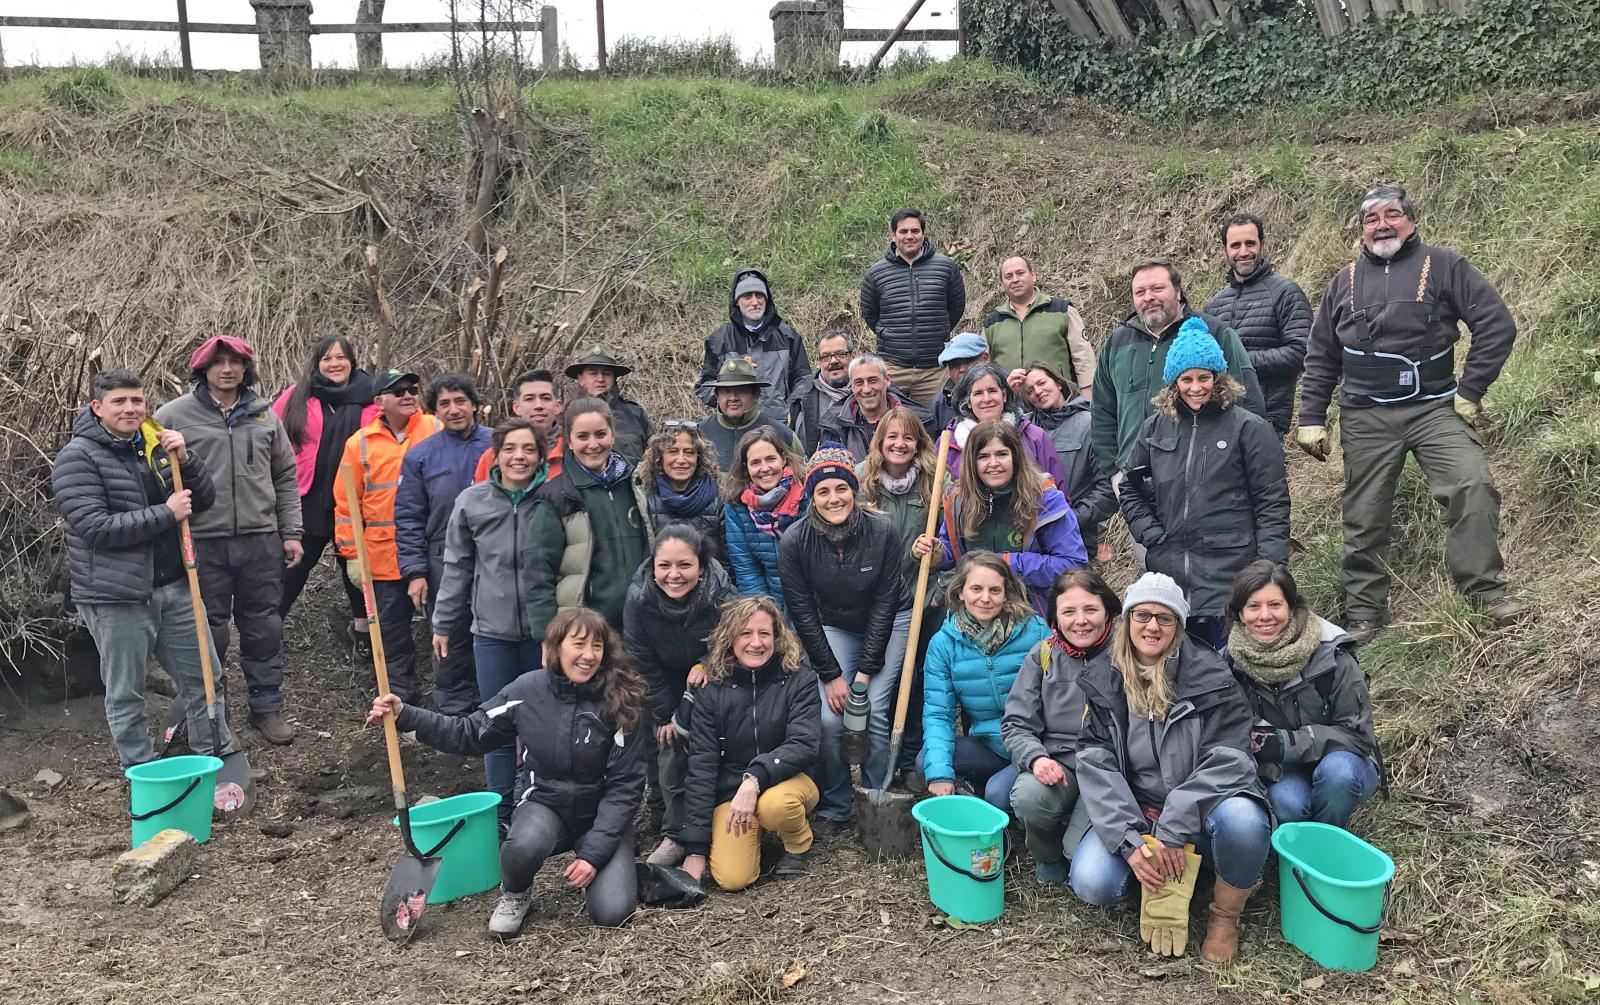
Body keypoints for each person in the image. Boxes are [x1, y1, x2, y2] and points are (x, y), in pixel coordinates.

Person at [1297, 184, 1523, 638]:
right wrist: (1311, 417)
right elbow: (1321, 354)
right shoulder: (1342, 282)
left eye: (1392, 215)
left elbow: (1496, 324)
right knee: (1364, 513)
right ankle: (1365, 613)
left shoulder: (1446, 265)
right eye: (1371, 219)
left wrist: (1470, 389)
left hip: (1435, 407)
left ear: (1411, 220)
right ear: (1361, 230)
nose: (1382, 225)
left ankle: (1485, 592)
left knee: (1472, 484)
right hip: (1365, 414)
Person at [366, 607, 646, 936]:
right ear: (555, 648)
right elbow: (468, 733)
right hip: (545, 805)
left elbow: (624, 789)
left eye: (597, 646)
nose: (588, 655)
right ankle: (516, 892)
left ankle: (598, 870)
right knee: (522, 846)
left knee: (613, 912)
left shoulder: (621, 700)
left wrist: (594, 856)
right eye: (579, 644)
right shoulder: (526, 692)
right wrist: (405, 716)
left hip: (601, 814)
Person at [1071, 572, 1271, 964]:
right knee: (1093, 882)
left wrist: (1175, 825)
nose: (1152, 626)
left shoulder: (1212, 677)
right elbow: (1095, 762)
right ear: (1127, 620)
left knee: (1245, 820)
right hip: (1138, 810)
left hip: (1199, 812)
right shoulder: (1103, 677)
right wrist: (1130, 840)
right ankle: (1162, 882)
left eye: (1165, 618)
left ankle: (1224, 916)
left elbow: (1230, 760)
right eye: (1142, 615)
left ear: (1178, 626)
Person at [53, 368, 238, 768]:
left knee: (206, 680)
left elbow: (202, 500)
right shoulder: (76, 458)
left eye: (137, 400)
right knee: (126, 691)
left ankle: (214, 761)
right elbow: (96, 528)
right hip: (116, 595)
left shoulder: (156, 445)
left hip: (177, 586)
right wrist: (165, 513)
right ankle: (142, 771)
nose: (130, 409)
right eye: (119, 401)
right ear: (97, 407)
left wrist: (186, 461)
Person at [154, 334, 302, 745]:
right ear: (202, 370)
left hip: (260, 539)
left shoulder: (264, 415)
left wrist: (291, 532)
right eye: (217, 363)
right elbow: (152, 474)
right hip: (203, 540)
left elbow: (285, 476)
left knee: (263, 625)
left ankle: (266, 706)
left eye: (235, 362)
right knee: (209, 630)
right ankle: (215, 713)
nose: (227, 369)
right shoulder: (173, 415)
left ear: (245, 368)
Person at [1118, 321, 1291, 649]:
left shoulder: (1250, 428)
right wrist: (1151, 535)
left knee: (1234, 666)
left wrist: (1268, 570)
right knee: (1181, 668)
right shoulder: (1154, 428)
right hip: (1171, 579)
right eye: (1187, 379)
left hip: (1232, 577)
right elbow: (1129, 487)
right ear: (1174, 382)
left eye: (1204, 378)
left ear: (1218, 378)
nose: (1195, 387)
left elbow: (1272, 502)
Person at [429, 418, 550, 829]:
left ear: (540, 456)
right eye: (510, 448)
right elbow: (457, 568)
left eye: (529, 449)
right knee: (496, 724)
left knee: (540, 723)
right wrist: (443, 623)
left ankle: (538, 806)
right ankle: (500, 812)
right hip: (491, 634)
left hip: (543, 635)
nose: (519, 457)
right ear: (496, 455)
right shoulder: (472, 502)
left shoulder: (553, 499)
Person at [779, 445, 906, 827]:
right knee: (830, 717)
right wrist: (831, 675)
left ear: (854, 490)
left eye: (841, 489)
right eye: (823, 491)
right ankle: (836, 801)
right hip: (833, 624)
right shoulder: (795, 541)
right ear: (811, 496)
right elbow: (803, 612)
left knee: (874, 710)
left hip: (889, 621)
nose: (833, 498)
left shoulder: (882, 531)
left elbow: (885, 603)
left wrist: (863, 676)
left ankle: (875, 795)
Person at [1224, 561, 1380, 830]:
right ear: (1240, 613)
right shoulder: (1229, 663)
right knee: (1288, 804)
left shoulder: (1333, 654)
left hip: (1345, 758)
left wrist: (1284, 743)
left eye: (1275, 605)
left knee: (1338, 776)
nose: (1265, 616)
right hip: (1282, 767)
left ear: (1291, 607)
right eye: (1254, 606)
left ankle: (1329, 841)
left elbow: (1358, 736)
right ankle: (1298, 843)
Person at [681, 597, 822, 889]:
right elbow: (702, 766)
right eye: (745, 633)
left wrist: (754, 779)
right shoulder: (711, 689)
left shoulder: (799, 678)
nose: (756, 643)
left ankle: (798, 843)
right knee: (733, 879)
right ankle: (750, 833)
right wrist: (694, 849)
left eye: (764, 633)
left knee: (776, 806)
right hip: (731, 791)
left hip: (787, 780)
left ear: (777, 637)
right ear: (729, 638)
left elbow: (803, 744)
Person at [623, 524, 736, 867]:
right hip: (660, 676)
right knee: (664, 740)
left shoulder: (720, 593)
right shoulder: (639, 598)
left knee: (701, 740)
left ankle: (708, 817)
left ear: (700, 567)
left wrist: (706, 662)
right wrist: (664, 714)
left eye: (684, 565)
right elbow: (640, 658)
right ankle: (669, 828)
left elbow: (734, 638)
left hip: (711, 674)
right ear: (653, 566)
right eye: (665, 565)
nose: (674, 575)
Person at [1091, 258, 1265, 480]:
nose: (1148, 297)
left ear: (1178, 291)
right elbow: (1102, 411)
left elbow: (1247, 401)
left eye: (1157, 288)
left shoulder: (1213, 334)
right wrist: (1114, 473)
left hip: (1201, 477)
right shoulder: (1116, 344)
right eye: (1140, 292)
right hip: (1133, 479)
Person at [1003, 570, 1121, 884]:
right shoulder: (1042, 655)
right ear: (1055, 616)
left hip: (1110, 769)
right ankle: (1048, 855)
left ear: (1107, 610)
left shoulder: (1128, 653)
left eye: (1090, 609)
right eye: (1068, 611)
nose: (1080, 621)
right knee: (1027, 796)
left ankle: (1074, 849)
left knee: (1077, 856)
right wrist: (1036, 758)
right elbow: (1016, 723)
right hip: (1060, 763)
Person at [334, 369, 443, 702]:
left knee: (445, 627)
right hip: (384, 557)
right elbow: (346, 504)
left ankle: (450, 702)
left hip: (433, 551)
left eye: (412, 389)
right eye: (398, 391)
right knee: (393, 634)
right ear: (379, 402)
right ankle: (401, 702)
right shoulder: (359, 444)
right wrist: (352, 556)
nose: (408, 395)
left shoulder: (435, 428)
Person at [918, 552, 1050, 811]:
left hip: (1036, 742)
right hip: (990, 745)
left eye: (994, 590)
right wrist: (941, 774)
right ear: (960, 592)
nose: (985, 598)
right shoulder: (943, 645)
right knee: (928, 763)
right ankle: (970, 806)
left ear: (1006, 593)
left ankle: (1005, 801)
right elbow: (938, 714)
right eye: (976, 589)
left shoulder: (1035, 631)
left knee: (997, 794)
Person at [918, 420, 1087, 617]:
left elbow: (1073, 565)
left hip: (1030, 612)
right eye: (983, 456)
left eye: (1001, 454)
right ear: (972, 462)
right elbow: (955, 552)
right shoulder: (958, 499)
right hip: (976, 610)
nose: (993, 463)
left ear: (1016, 457)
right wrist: (938, 553)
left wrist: (1006, 564)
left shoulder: (1045, 499)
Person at [273, 336, 377, 656]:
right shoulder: (297, 395)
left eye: (341, 357)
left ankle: (363, 631)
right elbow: (269, 434)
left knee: (354, 565)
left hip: (355, 499)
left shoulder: (372, 397)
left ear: (352, 362)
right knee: (295, 564)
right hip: (308, 495)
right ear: (317, 364)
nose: (335, 364)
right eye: (327, 358)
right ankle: (269, 626)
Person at [395, 374, 491, 716]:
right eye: (444, 404)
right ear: (434, 412)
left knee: (493, 635)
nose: (454, 410)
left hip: (494, 556)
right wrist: (415, 572)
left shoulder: (499, 445)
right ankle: (453, 714)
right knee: (449, 635)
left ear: (474, 405)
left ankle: (493, 712)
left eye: (460, 401)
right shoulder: (420, 457)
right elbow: (408, 518)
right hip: (443, 560)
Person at [857, 406, 943, 783]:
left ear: (918, 443)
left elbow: (952, 545)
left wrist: (937, 558)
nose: (899, 444)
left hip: (923, 598)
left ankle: (908, 759)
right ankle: (877, 762)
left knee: (919, 679)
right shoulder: (862, 481)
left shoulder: (935, 483)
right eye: (892, 436)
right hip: (876, 603)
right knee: (884, 683)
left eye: (908, 437)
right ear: (880, 442)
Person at [524, 397, 649, 643]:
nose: (593, 444)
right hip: (585, 632)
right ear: (569, 441)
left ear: (612, 435)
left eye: (601, 434)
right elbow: (538, 573)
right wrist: (547, 638)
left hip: (642, 627)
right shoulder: (557, 496)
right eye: (582, 436)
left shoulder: (638, 484)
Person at [1203, 213, 1312, 438]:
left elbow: (1302, 352)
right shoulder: (1213, 306)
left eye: (1250, 243)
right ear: (1224, 250)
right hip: (1219, 419)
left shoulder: (1285, 293)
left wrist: (1240, 362)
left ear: (1262, 244)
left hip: (1266, 419)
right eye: (1236, 245)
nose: (1244, 252)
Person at [859, 208, 967, 406]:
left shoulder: (946, 267)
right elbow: (870, 314)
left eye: (915, 231)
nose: (909, 236)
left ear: (923, 234)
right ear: (893, 235)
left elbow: (956, 307)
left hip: (934, 369)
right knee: (889, 420)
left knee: (936, 420)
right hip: (893, 367)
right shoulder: (875, 274)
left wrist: (938, 331)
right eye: (903, 231)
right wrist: (887, 334)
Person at [1018, 360, 1117, 562]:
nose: (1037, 392)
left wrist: (1071, 518)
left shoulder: (1090, 424)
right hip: (1030, 539)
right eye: (1029, 391)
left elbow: (1108, 490)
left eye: (1042, 383)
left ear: (1059, 383)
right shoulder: (1023, 429)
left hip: (1076, 536)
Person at [695, 268, 810, 424]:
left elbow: (803, 381)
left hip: (779, 425)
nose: (755, 302)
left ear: (767, 299)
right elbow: (704, 386)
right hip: (736, 426)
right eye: (747, 296)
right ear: (737, 301)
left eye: (759, 295)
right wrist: (730, 397)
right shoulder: (720, 340)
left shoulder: (788, 337)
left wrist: (790, 410)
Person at [941, 361, 1069, 489]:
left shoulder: (1034, 437)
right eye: (978, 393)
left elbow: (1059, 491)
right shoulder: (948, 443)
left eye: (992, 391)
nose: (987, 399)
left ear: (1004, 396)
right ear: (968, 402)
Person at [984, 254, 1097, 397]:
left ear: (1033, 276)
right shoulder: (992, 323)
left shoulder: (1061, 311)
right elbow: (984, 368)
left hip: (1061, 401)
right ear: (1002, 284)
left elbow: (1084, 358)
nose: (1015, 279)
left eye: (1020, 273)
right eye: (1008, 276)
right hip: (1012, 404)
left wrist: (1088, 397)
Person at [722, 427, 807, 612]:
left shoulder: (806, 495)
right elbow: (747, 572)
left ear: (783, 459)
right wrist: (768, 617)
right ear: (746, 467)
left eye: (770, 459)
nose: (765, 468)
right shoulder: (737, 507)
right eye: (755, 462)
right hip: (772, 604)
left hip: (813, 603)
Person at [632, 421, 726, 566]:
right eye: (673, 451)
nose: (681, 460)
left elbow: (728, 558)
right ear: (660, 457)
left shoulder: (718, 497)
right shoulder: (644, 498)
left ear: (699, 457)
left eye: (688, 452)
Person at [696, 356, 803, 472]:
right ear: (717, 396)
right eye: (726, 391)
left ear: (755, 395)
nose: (733, 398)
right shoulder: (699, 434)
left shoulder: (783, 435)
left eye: (741, 391)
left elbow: (802, 476)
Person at [818, 354, 924, 461]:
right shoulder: (833, 425)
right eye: (859, 383)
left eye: (873, 381)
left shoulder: (917, 421)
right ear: (852, 386)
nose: (866, 389)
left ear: (887, 380)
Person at [473, 368, 564, 483]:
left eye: (545, 398)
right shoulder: (492, 457)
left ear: (558, 406)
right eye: (529, 399)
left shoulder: (574, 453)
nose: (538, 405)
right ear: (516, 407)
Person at [566, 346, 652, 462]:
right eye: (593, 373)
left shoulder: (635, 414)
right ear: (580, 379)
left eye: (606, 373)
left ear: (614, 378)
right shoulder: (566, 415)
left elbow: (656, 454)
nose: (600, 379)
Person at [795, 328, 856, 454]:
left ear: (853, 356)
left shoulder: (868, 391)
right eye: (826, 356)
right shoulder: (800, 396)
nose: (833, 361)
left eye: (840, 354)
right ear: (819, 362)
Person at [928, 332, 990, 434]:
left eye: (968, 361)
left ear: (985, 358)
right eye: (954, 364)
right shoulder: (941, 402)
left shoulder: (1008, 386)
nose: (962, 369)